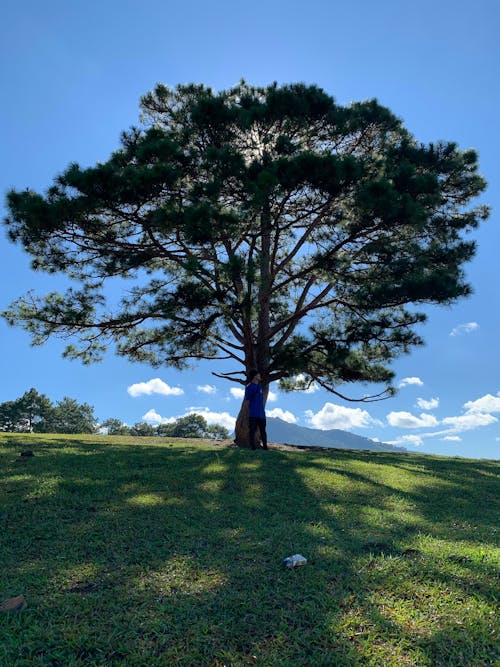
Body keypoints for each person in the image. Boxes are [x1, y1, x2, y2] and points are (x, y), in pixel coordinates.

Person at [244, 369, 268, 450]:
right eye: (258, 375)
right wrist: (248, 412)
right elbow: (247, 400)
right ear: (255, 376)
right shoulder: (249, 386)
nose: (260, 376)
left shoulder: (260, 386)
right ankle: (252, 447)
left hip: (261, 413)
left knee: (263, 431)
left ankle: (265, 447)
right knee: (252, 431)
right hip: (253, 413)